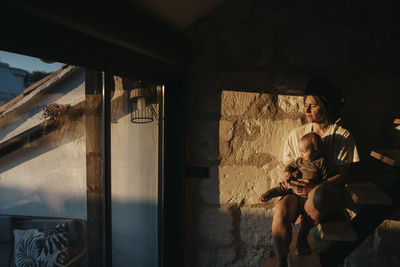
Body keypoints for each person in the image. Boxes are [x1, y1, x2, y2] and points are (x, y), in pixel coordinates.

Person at [272, 76, 359, 267]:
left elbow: (341, 176)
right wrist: (290, 180)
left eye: (313, 105)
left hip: (325, 193)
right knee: (280, 211)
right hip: (298, 192)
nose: (306, 110)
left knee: (319, 195)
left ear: (326, 106)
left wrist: (315, 186)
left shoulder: (342, 136)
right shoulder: (296, 135)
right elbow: (291, 167)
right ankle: (281, 263)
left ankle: (303, 235)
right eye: (305, 104)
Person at [259, 132, 327, 202]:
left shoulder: (321, 162)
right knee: (283, 188)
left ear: (316, 150)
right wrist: (287, 172)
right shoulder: (300, 160)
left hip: (309, 187)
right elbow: (291, 166)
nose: (301, 154)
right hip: (296, 184)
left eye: (304, 152)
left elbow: (325, 178)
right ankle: (268, 195)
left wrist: (316, 185)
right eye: (300, 152)